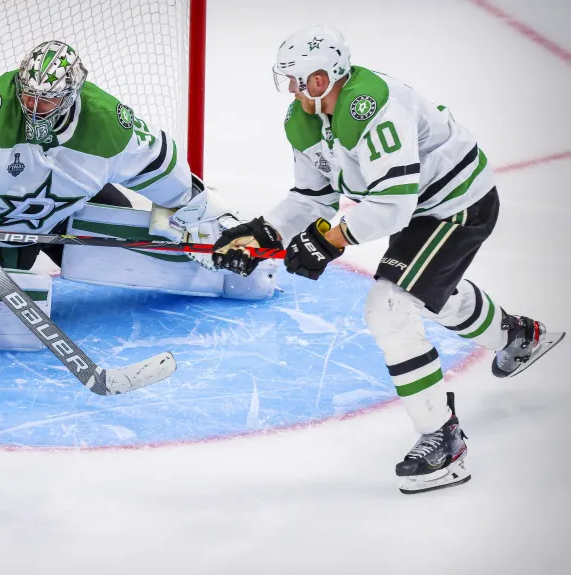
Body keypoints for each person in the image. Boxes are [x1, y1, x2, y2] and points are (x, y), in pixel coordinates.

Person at [210, 25, 564, 494]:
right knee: (425, 290)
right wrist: (265, 232)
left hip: (458, 204)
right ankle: (518, 335)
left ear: (320, 80)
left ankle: (443, 439)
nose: (290, 90)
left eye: (295, 80)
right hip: (422, 208)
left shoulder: (371, 106)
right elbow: (313, 197)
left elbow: (391, 206)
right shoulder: (305, 119)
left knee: (390, 306)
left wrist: (330, 240)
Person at [0, 40, 277, 351]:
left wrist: (215, 224)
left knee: (119, 213)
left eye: (45, 101)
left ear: (70, 96)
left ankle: (214, 271)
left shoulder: (109, 122)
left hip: (65, 214)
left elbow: (169, 175)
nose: (32, 107)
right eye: (27, 96)